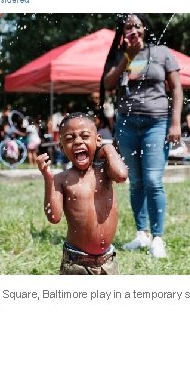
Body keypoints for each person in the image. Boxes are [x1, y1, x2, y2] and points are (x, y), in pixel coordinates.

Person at [101, 13, 182, 258]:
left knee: (153, 181)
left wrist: (175, 122)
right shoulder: (121, 56)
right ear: (123, 32)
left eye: (137, 25)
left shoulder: (162, 53)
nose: (133, 29)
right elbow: (108, 84)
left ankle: (158, 238)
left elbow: (177, 88)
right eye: (128, 26)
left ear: (144, 28)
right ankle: (142, 234)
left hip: (156, 124)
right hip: (127, 125)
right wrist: (128, 55)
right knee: (135, 182)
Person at [36, 112, 128, 275]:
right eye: (70, 138)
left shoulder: (105, 171)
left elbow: (121, 175)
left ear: (97, 140)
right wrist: (48, 179)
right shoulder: (61, 179)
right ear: (62, 147)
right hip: (76, 262)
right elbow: (54, 217)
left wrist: (108, 147)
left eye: (85, 136)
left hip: (108, 261)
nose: (78, 141)